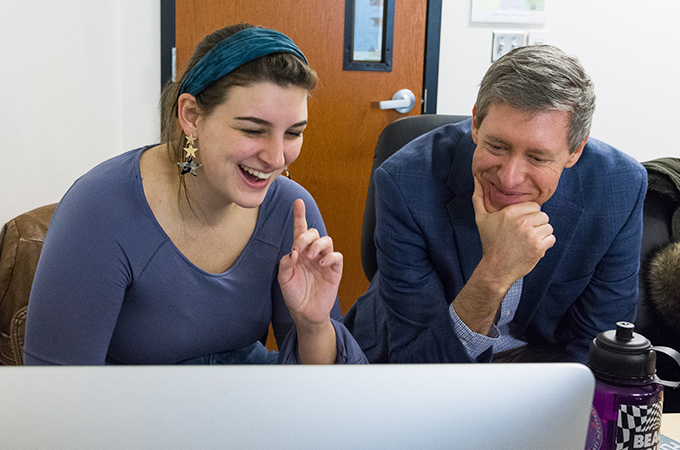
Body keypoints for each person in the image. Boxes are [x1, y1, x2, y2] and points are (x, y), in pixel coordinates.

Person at [23, 23, 367, 365]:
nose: (276, 158)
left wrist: (314, 326)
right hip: (129, 414)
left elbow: (320, 394)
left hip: (247, 407)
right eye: (252, 130)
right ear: (191, 116)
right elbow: (57, 392)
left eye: (293, 133)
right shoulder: (100, 209)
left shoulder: (291, 210)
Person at [345, 44, 647, 364]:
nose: (510, 178)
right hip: (412, 358)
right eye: (497, 146)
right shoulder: (406, 181)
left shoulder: (619, 188)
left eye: (537, 157)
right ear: (476, 123)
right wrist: (495, 272)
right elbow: (417, 365)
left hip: (536, 366)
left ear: (575, 150)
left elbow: (599, 346)